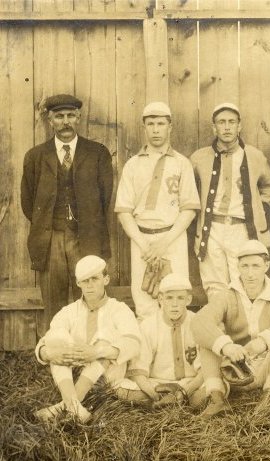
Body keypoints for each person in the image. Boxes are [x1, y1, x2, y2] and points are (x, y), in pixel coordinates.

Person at [21, 94, 113, 335]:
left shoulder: (97, 153)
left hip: (86, 237)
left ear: (79, 118)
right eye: (59, 116)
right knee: (54, 299)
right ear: (50, 120)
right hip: (51, 238)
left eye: (70, 116)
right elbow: (28, 202)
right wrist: (50, 226)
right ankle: (57, 352)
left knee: (90, 295)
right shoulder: (35, 156)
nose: (65, 122)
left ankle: (91, 350)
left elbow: (105, 199)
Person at [191, 240, 270, 419]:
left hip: (268, 368)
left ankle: (268, 399)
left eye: (256, 266)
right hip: (235, 367)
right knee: (208, 344)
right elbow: (199, 322)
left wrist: (263, 342)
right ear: (237, 266)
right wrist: (227, 347)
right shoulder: (227, 296)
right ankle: (217, 400)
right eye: (245, 266)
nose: (250, 274)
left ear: (266, 266)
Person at [115, 102, 201, 320]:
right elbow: (124, 211)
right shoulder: (133, 165)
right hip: (141, 239)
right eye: (150, 124)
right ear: (144, 128)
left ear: (170, 127)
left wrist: (164, 242)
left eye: (160, 124)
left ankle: (173, 351)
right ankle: (149, 351)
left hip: (172, 238)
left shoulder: (182, 163)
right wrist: (145, 244)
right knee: (144, 299)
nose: (155, 129)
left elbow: (189, 209)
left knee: (175, 294)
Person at [34, 256, 141, 423]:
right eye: (85, 281)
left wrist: (97, 351)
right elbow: (45, 343)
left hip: (106, 377)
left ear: (106, 279)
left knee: (105, 337)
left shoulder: (119, 309)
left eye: (95, 279)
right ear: (78, 283)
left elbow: (134, 344)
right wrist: (50, 353)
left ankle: (64, 406)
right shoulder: (69, 311)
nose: (90, 285)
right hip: (72, 374)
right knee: (57, 337)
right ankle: (75, 407)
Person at [190, 103, 270, 300]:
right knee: (215, 286)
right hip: (211, 229)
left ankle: (244, 328)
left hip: (243, 228)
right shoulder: (199, 158)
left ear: (239, 126)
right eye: (221, 122)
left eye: (231, 122)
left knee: (245, 281)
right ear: (214, 128)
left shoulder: (254, 156)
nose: (227, 127)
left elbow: (268, 186)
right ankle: (219, 329)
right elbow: (190, 193)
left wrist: (258, 211)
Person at [117, 273, 205, 408]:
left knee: (215, 387)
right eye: (169, 298)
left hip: (189, 382)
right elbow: (138, 370)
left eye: (180, 298)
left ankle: (180, 400)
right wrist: (154, 395)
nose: (174, 304)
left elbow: (205, 369)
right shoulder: (148, 325)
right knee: (121, 389)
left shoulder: (198, 323)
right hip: (157, 384)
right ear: (160, 299)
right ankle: (164, 402)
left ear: (188, 300)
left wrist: (185, 392)